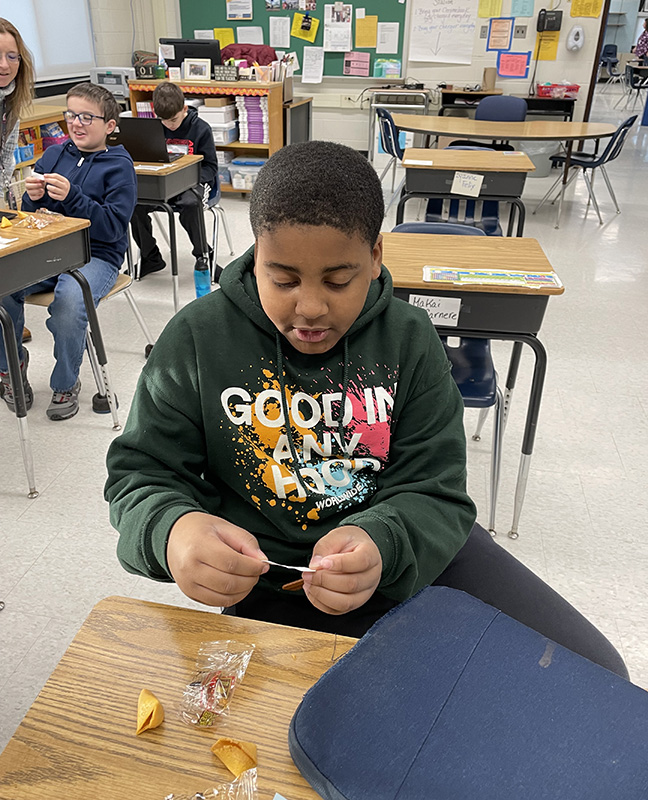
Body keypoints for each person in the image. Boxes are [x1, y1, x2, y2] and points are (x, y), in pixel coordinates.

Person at [105, 141, 628, 679]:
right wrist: (173, 531)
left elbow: (438, 491)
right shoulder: (196, 338)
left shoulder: (410, 339)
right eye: (282, 280)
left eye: (338, 281)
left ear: (376, 256)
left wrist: (384, 541)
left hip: (410, 550)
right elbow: (140, 474)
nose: (309, 307)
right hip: (276, 585)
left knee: (595, 676)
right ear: (255, 252)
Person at [0, 82, 137, 420]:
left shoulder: (119, 165)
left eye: (87, 117)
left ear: (109, 125)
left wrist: (73, 197)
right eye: (71, 114)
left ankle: (65, 384)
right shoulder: (55, 154)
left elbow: (113, 227)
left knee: (69, 304)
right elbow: (36, 212)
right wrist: (32, 196)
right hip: (49, 249)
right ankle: (12, 370)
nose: (76, 123)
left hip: (97, 255)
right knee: (4, 287)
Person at [129, 81, 218, 277]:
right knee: (134, 203)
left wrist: (189, 179)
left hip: (194, 183)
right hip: (163, 183)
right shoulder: (152, 128)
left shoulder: (201, 129)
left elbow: (211, 167)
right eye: (164, 120)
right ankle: (150, 256)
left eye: (174, 120)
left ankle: (203, 255)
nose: (169, 125)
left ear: (184, 108)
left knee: (190, 203)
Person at [0, 18, 35, 344]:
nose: (4, 65)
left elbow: (3, 162)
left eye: (12, 56)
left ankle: (8, 357)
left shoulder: (10, 103)